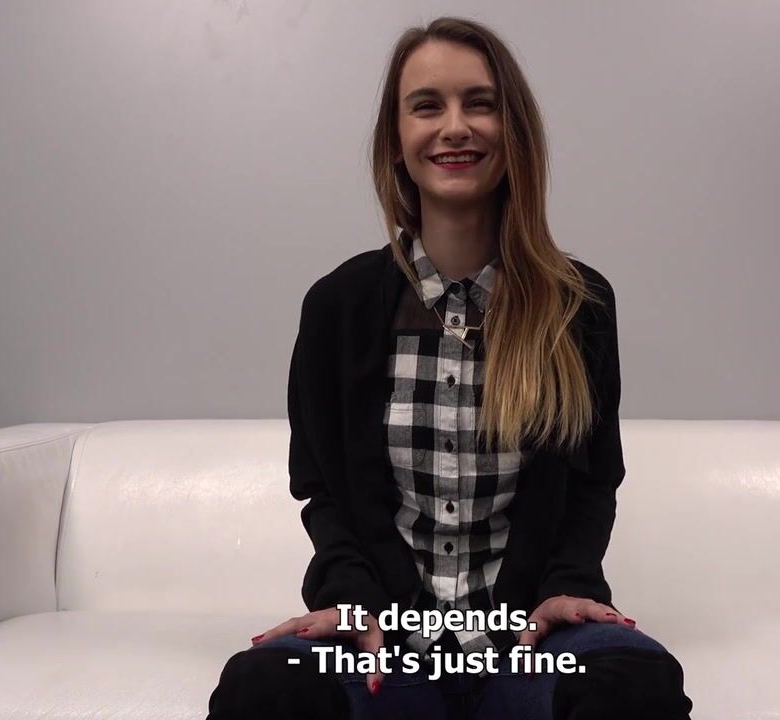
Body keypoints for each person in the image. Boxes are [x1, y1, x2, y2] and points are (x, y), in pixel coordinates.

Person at [207, 15, 693, 720]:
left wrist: (569, 585)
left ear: (513, 130)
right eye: (427, 106)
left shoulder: (577, 305)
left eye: (480, 103)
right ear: (395, 141)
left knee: (632, 686)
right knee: (265, 688)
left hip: (529, 644)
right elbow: (322, 491)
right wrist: (349, 598)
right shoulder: (337, 307)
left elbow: (594, 481)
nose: (455, 127)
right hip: (387, 648)